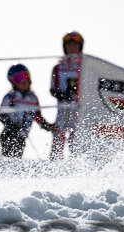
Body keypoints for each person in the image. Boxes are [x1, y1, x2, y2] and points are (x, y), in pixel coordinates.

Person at [0, 64, 56, 159]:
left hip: (22, 137)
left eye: (25, 76)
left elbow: (37, 116)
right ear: (13, 82)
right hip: (9, 134)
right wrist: (12, 125)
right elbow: (0, 114)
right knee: (9, 159)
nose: (23, 81)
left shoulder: (33, 99)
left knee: (17, 160)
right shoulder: (11, 96)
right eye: (18, 79)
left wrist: (47, 126)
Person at [50, 31, 83, 159]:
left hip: (78, 107)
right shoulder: (58, 67)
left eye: (75, 45)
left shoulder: (84, 65)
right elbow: (53, 88)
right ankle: (54, 161)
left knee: (77, 135)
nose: (72, 48)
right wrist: (62, 95)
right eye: (69, 45)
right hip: (63, 107)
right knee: (59, 134)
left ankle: (75, 161)